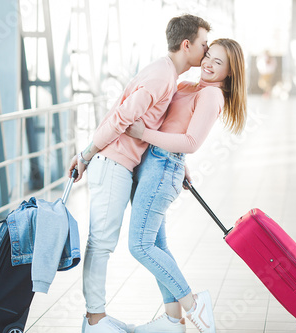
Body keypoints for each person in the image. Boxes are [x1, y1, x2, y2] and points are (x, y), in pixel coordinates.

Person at [67, 14, 211, 333]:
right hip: (112, 161)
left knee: (107, 241)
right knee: (102, 242)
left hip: (121, 163)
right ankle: (94, 319)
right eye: (204, 44)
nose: (207, 50)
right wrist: (86, 154)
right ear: (186, 44)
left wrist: (179, 163)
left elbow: (151, 124)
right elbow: (122, 117)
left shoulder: (165, 74)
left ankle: (101, 317)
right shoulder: (162, 75)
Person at [124, 38, 247, 333]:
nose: (208, 64)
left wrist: (146, 135)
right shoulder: (190, 86)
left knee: (139, 246)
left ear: (229, 73)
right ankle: (171, 320)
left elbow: (190, 142)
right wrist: (179, 164)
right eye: (209, 56)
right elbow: (175, 128)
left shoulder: (212, 96)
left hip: (162, 166)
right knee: (156, 245)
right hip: (157, 165)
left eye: (218, 63)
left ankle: (192, 304)